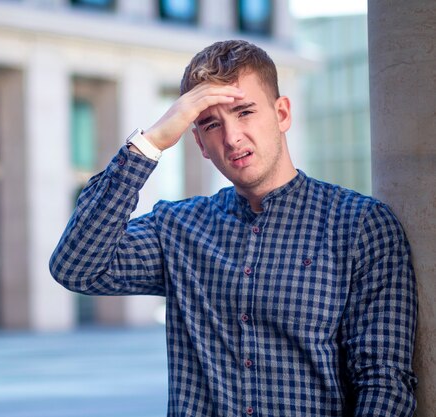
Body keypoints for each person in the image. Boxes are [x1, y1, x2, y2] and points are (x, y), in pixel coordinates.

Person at [49, 40, 418, 416]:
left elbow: (383, 382)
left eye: (244, 112)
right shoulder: (178, 228)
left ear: (282, 113)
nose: (232, 137)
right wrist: (152, 142)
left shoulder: (360, 225)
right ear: (200, 143)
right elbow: (77, 267)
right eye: (212, 124)